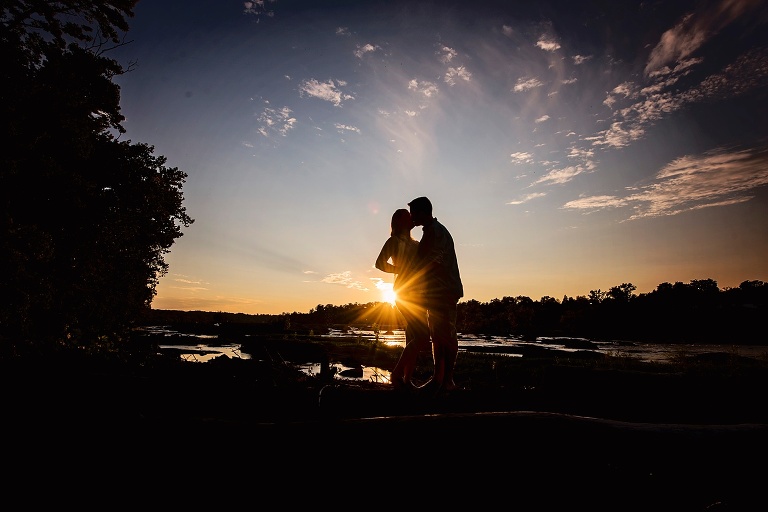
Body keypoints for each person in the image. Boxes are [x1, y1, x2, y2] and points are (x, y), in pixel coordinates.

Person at [408, 196, 463, 395]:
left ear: (423, 212)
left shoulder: (436, 232)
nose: (412, 218)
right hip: (436, 292)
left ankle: (447, 381)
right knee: (437, 336)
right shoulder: (430, 231)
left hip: (444, 291)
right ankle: (438, 379)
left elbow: (432, 262)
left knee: (446, 335)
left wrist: (412, 280)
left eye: (414, 214)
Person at [375, 208, 430, 391]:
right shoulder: (393, 241)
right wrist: (399, 269)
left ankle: (407, 380)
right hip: (404, 293)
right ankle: (396, 374)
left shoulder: (415, 243)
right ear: (399, 222)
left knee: (412, 337)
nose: (411, 218)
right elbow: (379, 263)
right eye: (407, 217)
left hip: (420, 293)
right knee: (423, 335)